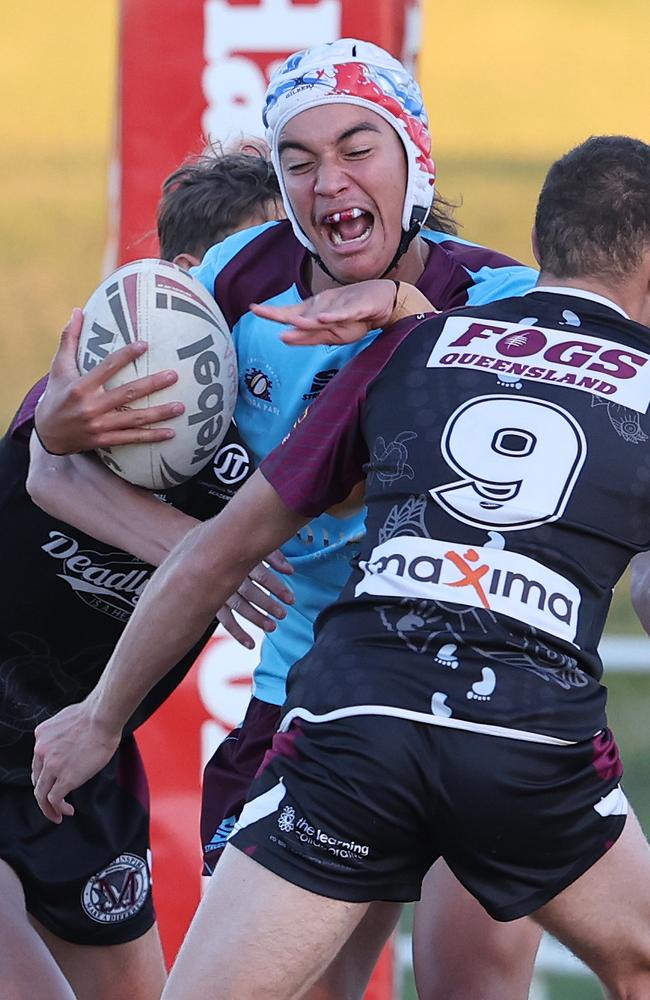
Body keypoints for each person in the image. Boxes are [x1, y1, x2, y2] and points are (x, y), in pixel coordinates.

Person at [33, 133, 650, 1000]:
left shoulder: (415, 348)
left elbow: (218, 550)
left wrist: (100, 718)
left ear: (544, 245)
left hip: (357, 717)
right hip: (523, 733)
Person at [0, 148, 285, 1000]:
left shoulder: (277, 417)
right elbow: (51, 467)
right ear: (186, 281)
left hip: (77, 763)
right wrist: (211, 563)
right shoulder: (101, 385)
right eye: (260, 265)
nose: (284, 293)